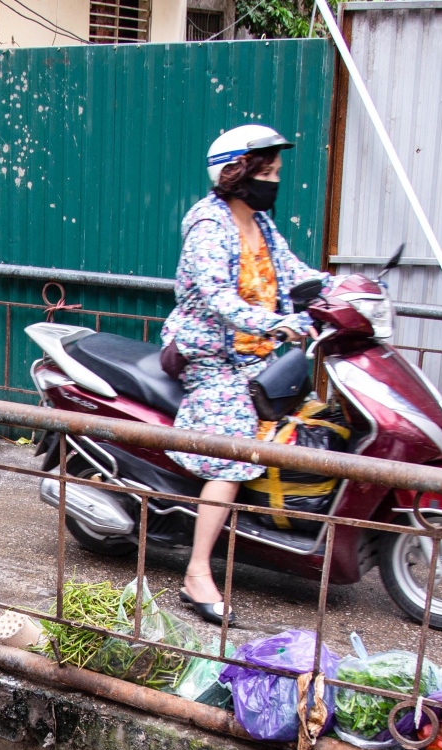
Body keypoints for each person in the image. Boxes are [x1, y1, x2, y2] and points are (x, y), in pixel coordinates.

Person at [160, 124, 325, 624]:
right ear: (236, 173)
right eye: (265, 172)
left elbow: (296, 273)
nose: (274, 181)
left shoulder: (261, 224)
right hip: (212, 359)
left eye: (276, 172)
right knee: (234, 455)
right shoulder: (208, 228)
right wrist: (281, 323)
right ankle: (196, 575)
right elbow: (220, 300)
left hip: (257, 355)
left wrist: (344, 292)